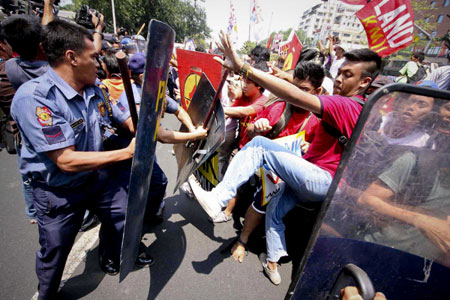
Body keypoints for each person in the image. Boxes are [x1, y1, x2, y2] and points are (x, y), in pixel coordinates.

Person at [189, 31, 381, 285]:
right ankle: (273, 261)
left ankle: (218, 199)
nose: (340, 80)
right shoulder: (358, 106)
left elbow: (295, 94)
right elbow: (299, 91)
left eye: (348, 75)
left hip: (320, 179)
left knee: (260, 146)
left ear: (364, 83)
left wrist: (244, 68)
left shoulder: (345, 105)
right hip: (312, 178)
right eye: (341, 72)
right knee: (276, 211)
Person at [10, 19, 146, 299]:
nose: (99, 62)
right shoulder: (36, 99)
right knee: (55, 253)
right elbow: (65, 160)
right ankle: (47, 293)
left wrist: (142, 123)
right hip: (59, 192)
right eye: (93, 57)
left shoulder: (95, 88)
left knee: (122, 214)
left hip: (97, 180)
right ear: (71, 58)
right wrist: (126, 152)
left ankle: (108, 254)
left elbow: (123, 121)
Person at [229, 62, 323, 262]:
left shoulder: (318, 120)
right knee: (262, 201)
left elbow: (319, 153)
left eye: (304, 90)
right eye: (294, 88)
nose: (296, 94)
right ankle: (242, 240)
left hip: (295, 177)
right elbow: (252, 132)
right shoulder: (279, 107)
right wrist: (257, 127)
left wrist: (309, 147)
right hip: (269, 172)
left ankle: (272, 253)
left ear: (318, 91)